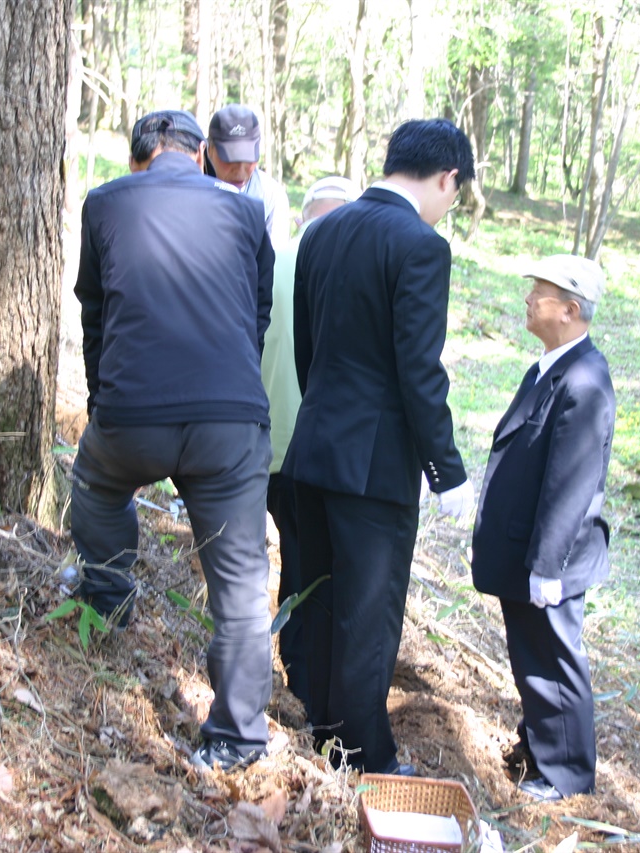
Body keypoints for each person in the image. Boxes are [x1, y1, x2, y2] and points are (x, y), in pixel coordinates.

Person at [72, 109, 276, 771]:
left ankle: (107, 595)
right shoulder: (246, 213)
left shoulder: (104, 204)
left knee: (97, 488)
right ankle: (238, 737)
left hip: (132, 414)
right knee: (241, 584)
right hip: (231, 421)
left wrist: (104, 401)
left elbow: (95, 316)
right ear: (199, 155)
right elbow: (258, 312)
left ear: (141, 158)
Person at [283, 118, 476, 776]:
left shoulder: (323, 231)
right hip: (373, 465)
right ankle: (366, 756)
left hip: (314, 444)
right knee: (367, 613)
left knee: (316, 591)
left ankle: (313, 723)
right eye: (458, 191)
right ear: (447, 176)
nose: (451, 204)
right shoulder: (421, 246)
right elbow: (418, 370)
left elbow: (307, 347)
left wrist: (325, 419)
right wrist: (447, 470)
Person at [470, 254, 615, 802]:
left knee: (554, 661)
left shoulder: (584, 382)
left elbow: (570, 486)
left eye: (541, 292)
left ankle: (566, 773)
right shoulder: (551, 365)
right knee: (533, 658)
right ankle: (539, 749)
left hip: (551, 557)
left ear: (571, 310)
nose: (529, 298)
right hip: (525, 549)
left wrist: (547, 566)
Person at [262, 175, 361, 707]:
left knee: (296, 561)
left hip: (271, 447)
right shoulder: (349, 271)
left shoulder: (269, 262)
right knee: (326, 570)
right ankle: (316, 686)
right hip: (329, 453)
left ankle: (296, 673)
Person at [206, 104, 292, 247]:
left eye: (248, 159)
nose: (240, 170)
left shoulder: (270, 195)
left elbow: (276, 256)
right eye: (230, 160)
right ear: (209, 150)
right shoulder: (190, 191)